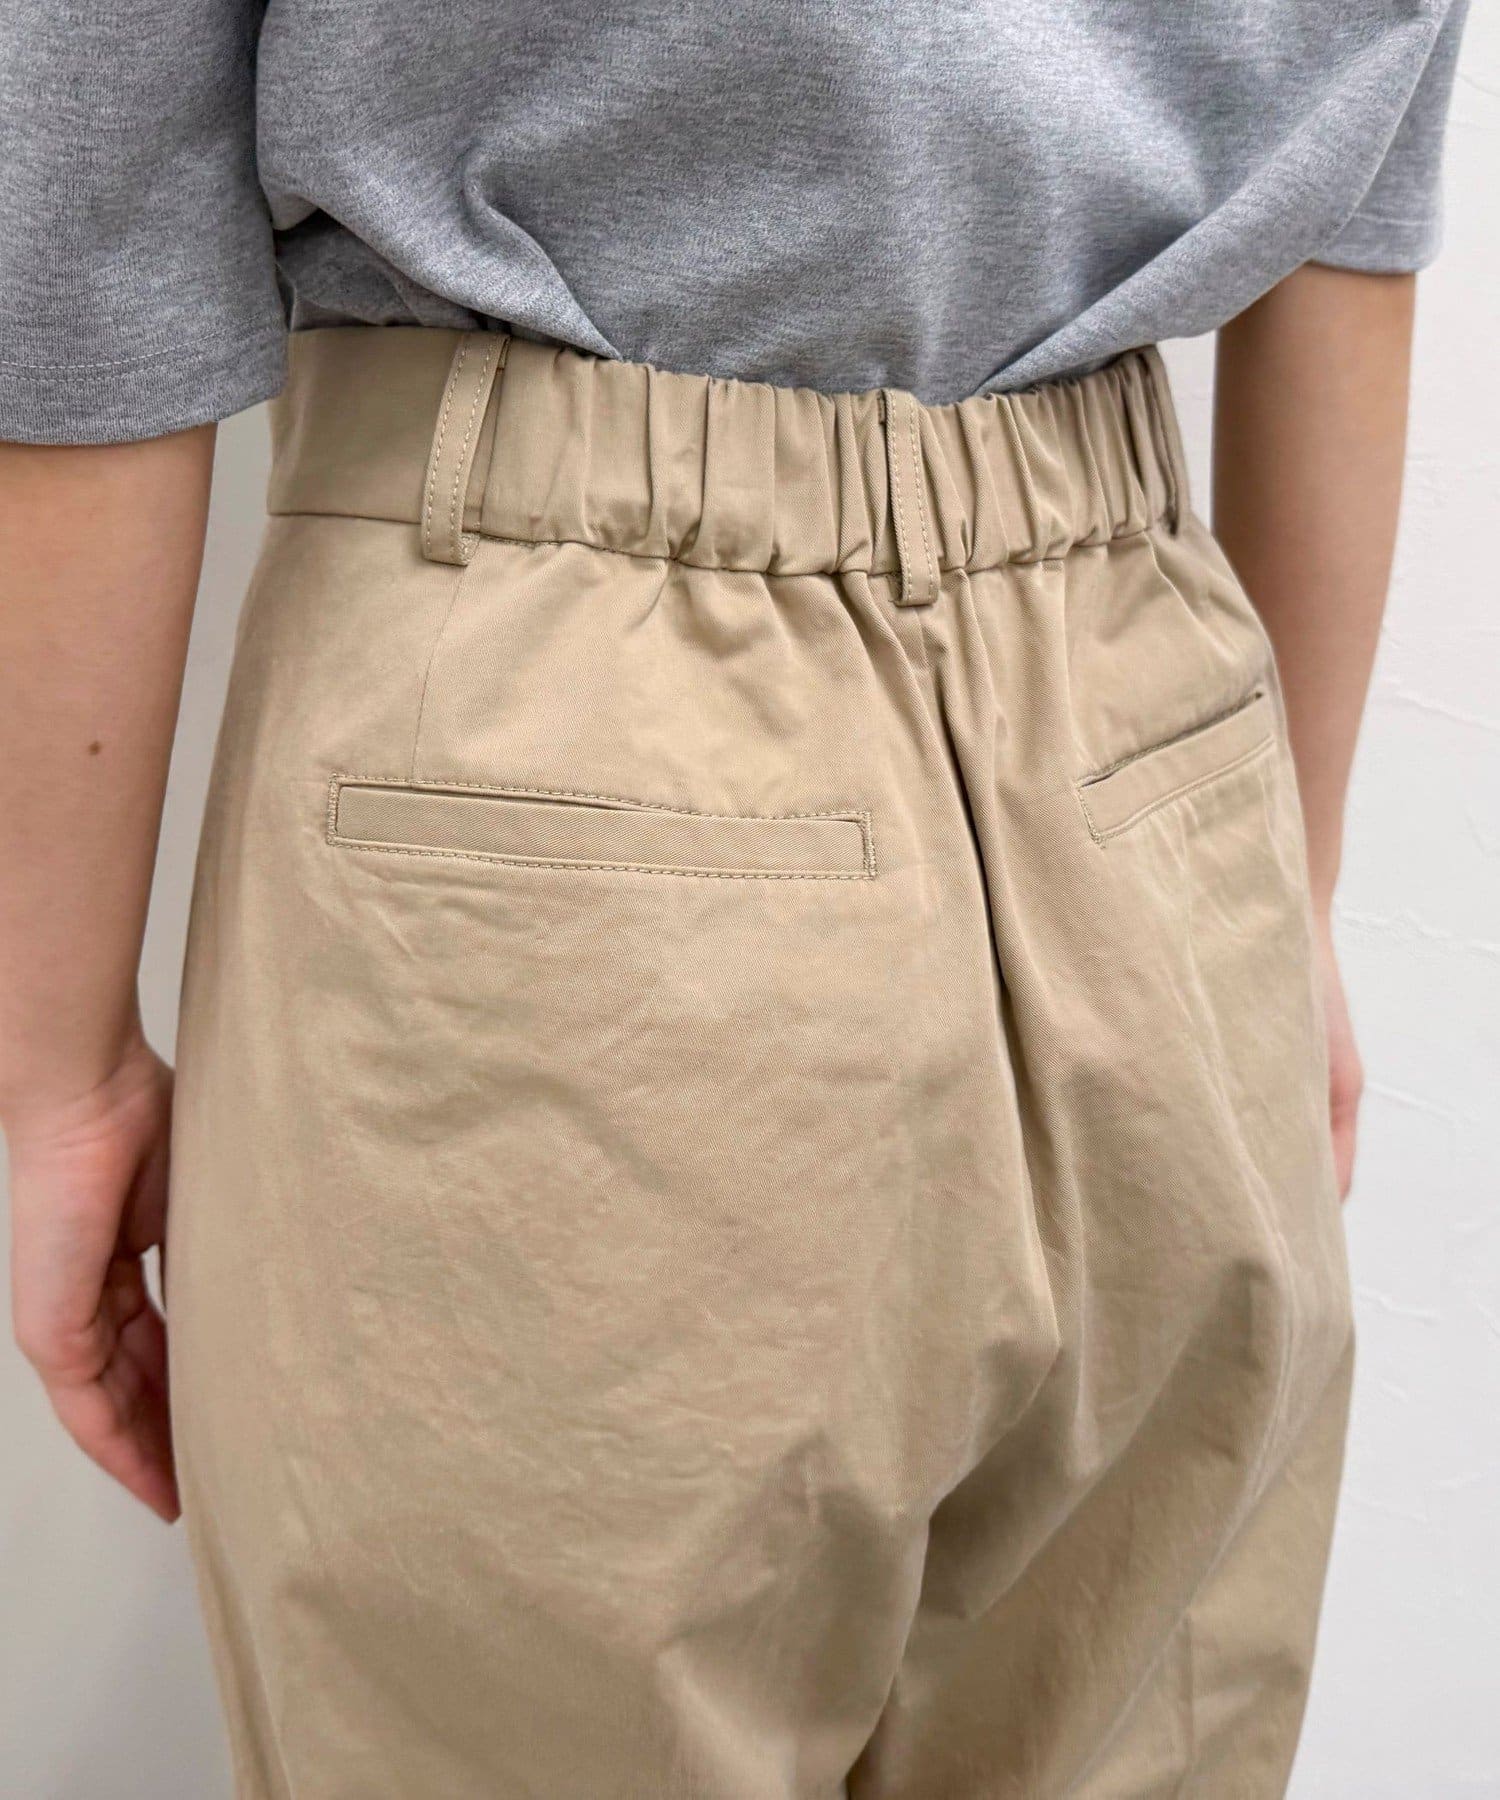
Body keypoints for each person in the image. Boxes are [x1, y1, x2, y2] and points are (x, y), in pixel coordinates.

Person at [0, 3, 1471, 1794]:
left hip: (553, 746)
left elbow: (89, 223)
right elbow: (1358, 177)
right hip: (1158, 754)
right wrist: (1286, 883)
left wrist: (63, 1068)